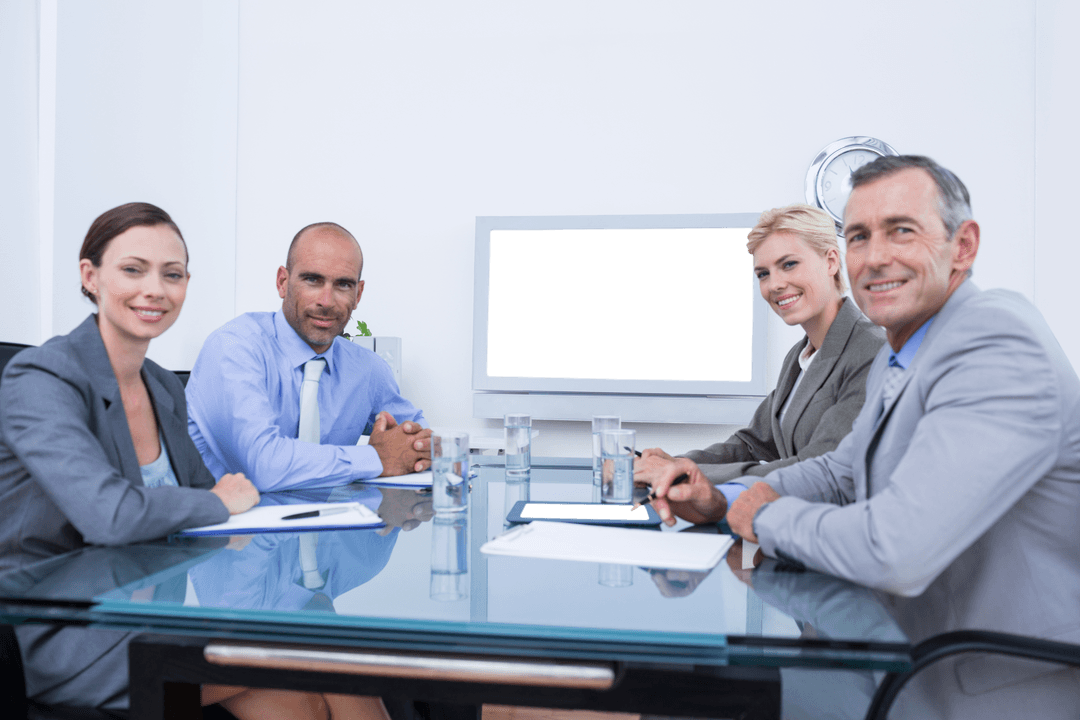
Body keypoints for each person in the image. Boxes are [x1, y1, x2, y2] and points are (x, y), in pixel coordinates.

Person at [653, 156, 1080, 717]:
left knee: (697, 694)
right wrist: (719, 501)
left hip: (987, 678)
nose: (876, 257)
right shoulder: (907, 347)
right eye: (859, 236)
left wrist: (762, 516)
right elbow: (840, 470)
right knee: (685, 693)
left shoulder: (996, 344)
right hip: (897, 644)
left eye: (901, 230)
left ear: (964, 246)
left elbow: (895, 548)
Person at [0, 203, 387, 719]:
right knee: (332, 651)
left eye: (173, 273)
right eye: (133, 269)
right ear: (90, 277)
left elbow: (220, 502)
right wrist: (217, 501)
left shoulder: (161, 385)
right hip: (71, 635)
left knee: (313, 691)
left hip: (159, 618)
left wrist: (229, 504)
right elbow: (113, 514)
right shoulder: (41, 378)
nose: (155, 289)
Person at [634, 204, 884, 517]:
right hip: (791, 525)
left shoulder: (871, 352)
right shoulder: (801, 355)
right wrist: (673, 464)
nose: (775, 284)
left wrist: (688, 475)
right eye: (763, 274)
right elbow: (753, 443)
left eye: (789, 264)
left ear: (831, 261)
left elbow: (816, 467)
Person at [186, 222, 430, 492]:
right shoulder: (234, 348)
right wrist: (378, 458)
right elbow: (264, 467)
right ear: (282, 282)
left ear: (358, 294)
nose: (326, 301)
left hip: (328, 523)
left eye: (343, 285)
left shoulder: (367, 369)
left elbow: (420, 436)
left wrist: (419, 448)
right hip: (227, 529)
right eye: (312, 280)